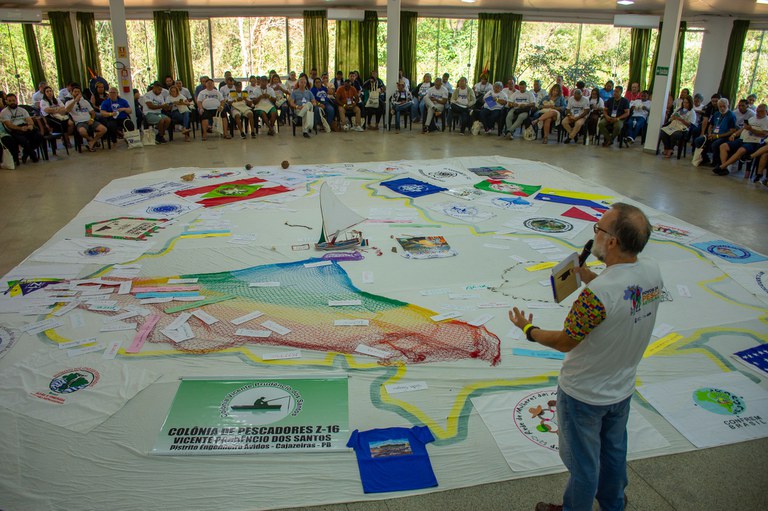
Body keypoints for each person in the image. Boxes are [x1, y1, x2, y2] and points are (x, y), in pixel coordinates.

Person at [510, 203, 662, 511]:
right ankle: (613, 504)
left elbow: (566, 341)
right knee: (614, 454)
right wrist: (590, 275)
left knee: (583, 466)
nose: (595, 236)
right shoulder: (651, 271)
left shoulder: (597, 296)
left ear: (612, 241)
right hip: (621, 389)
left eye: (599, 229)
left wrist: (529, 330)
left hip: (584, 394)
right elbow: (623, 296)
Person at [715, 103, 768, 176]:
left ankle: (722, 167)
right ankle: (724, 168)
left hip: (753, 142)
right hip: (742, 139)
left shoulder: (766, 120)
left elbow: (764, 134)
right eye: (757, 111)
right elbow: (743, 128)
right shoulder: (752, 118)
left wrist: (751, 129)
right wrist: (734, 134)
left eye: (761, 111)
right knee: (723, 146)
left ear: (766, 112)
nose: (758, 113)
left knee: (741, 150)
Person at [692, 98, 736, 167]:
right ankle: (704, 158)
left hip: (724, 136)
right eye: (720, 107)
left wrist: (718, 136)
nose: (722, 108)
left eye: (724, 106)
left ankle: (716, 162)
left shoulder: (731, 115)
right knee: (698, 140)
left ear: (727, 105)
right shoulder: (716, 114)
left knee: (715, 144)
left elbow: (732, 131)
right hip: (713, 134)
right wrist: (710, 134)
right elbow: (710, 125)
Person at [0, 93, 43, 162]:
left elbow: (29, 120)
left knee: (39, 136)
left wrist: (30, 125)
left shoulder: (22, 110)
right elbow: (9, 125)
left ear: (16, 101)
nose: (12, 102)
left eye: (13, 100)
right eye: (10, 101)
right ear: (6, 102)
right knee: (23, 140)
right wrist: (20, 128)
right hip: (14, 130)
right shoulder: (4, 112)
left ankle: (26, 153)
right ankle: (33, 155)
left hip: (25, 126)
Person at [64, 85, 107, 152]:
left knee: (103, 129)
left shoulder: (85, 102)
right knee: (82, 131)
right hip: (79, 122)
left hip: (89, 120)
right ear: (72, 93)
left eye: (78, 92)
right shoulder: (69, 102)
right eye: (75, 91)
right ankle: (92, 140)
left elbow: (93, 113)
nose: (77, 93)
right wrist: (75, 101)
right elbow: (67, 110)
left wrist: (92, 119)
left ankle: (92, 142)